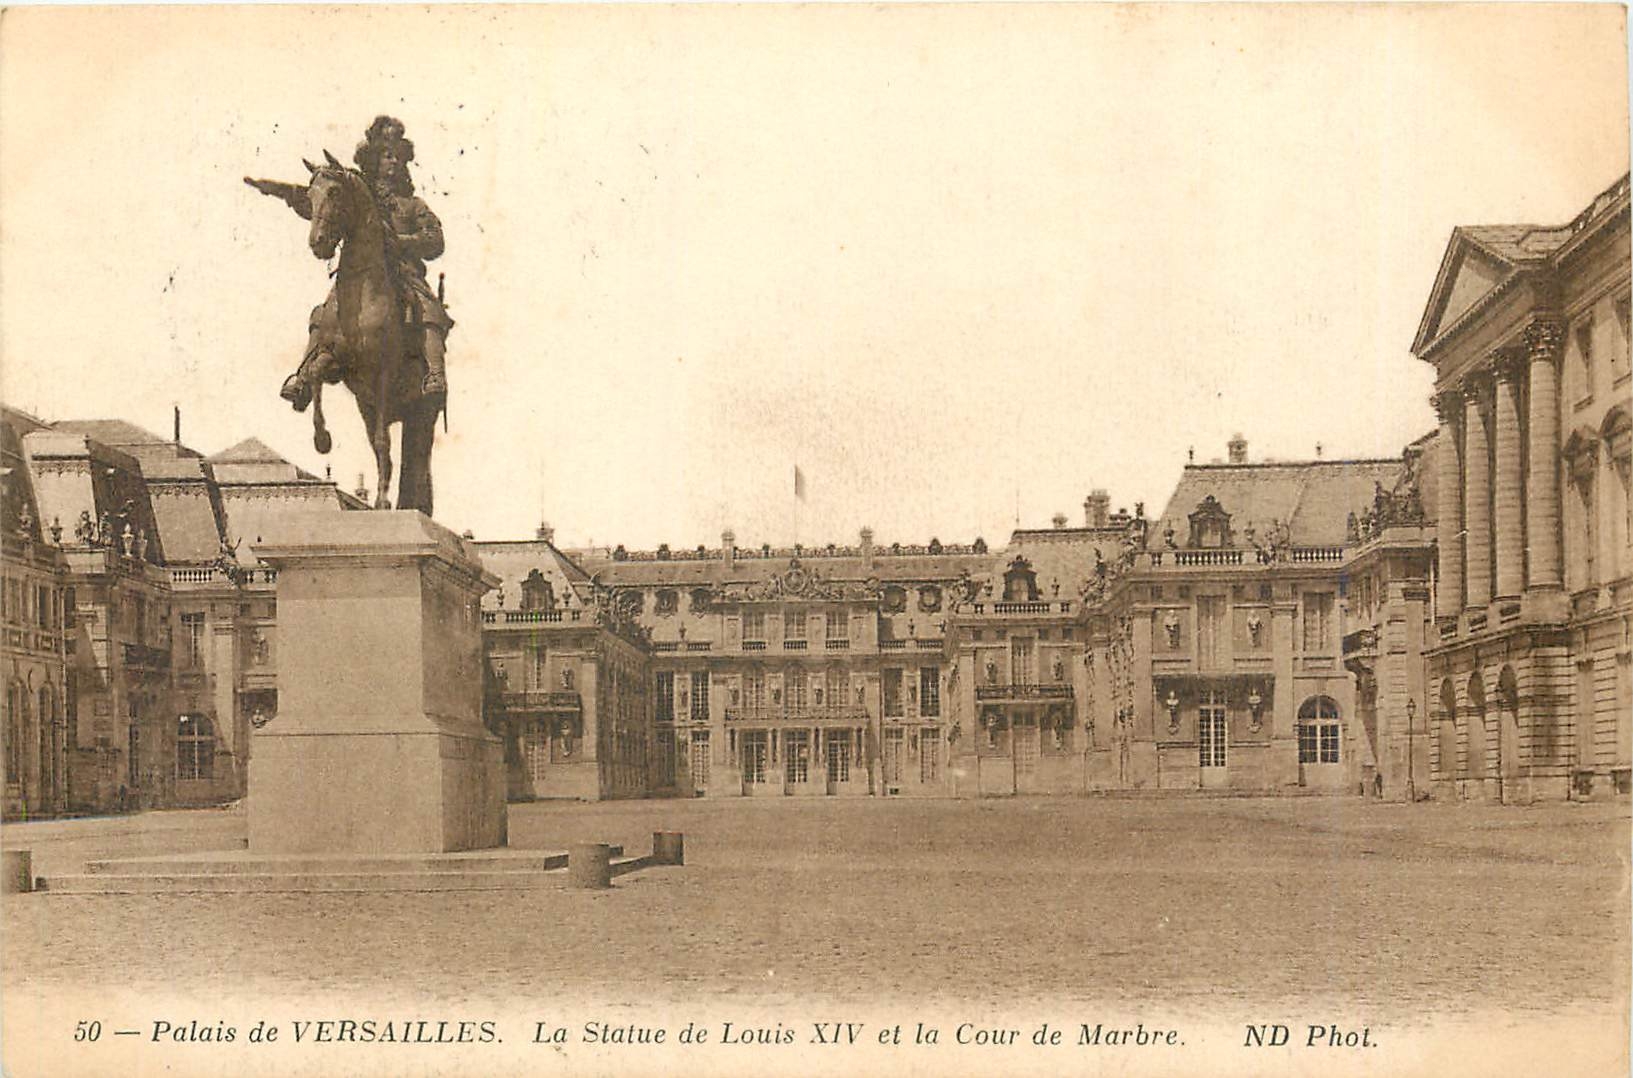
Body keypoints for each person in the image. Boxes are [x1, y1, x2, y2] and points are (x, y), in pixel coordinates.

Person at [248, 115, 454, 407]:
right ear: (373, 159)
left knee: (428, 308)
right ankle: (303, 378)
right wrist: (283, 192)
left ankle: (434, 374)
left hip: (403, 272)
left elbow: (435, 241)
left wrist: (403, 242)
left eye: (398, 156)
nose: (393, 162)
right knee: (324, 312)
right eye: (386, 155)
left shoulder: (414, 205)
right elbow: (325, 206)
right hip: (357, 272)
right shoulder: (358, 194)